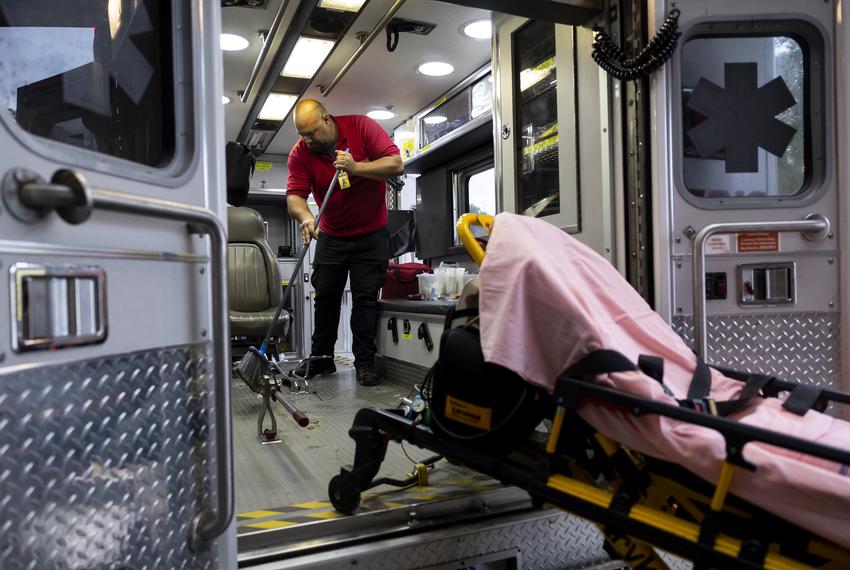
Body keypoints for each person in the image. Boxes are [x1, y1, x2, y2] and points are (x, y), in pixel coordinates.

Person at [286, 100, 403, 386]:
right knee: (325, 298)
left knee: (365, 300)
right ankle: (321, 361)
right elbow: (294, 197)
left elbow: (396, 164)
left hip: (371, 234)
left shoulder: (361, 127)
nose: (307, 140)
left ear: (327, 119)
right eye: (302, 134)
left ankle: (364, 363)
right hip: (332, 234)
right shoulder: (301, 153)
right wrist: (305, 217)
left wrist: (356, 167)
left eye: (311, 132)